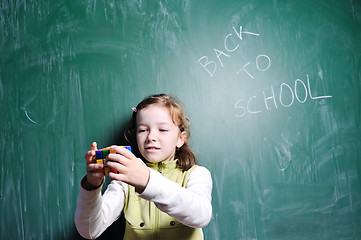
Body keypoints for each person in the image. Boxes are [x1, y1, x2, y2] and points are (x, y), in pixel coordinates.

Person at [74, 93, 212, 240]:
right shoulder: (123, 181)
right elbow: (89, 230)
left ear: (180, 139)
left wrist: (147, 180)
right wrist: (91, 186)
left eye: (162, 130)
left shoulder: (196, 174)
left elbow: (201, 216)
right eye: (142, 130)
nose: (151, 137)